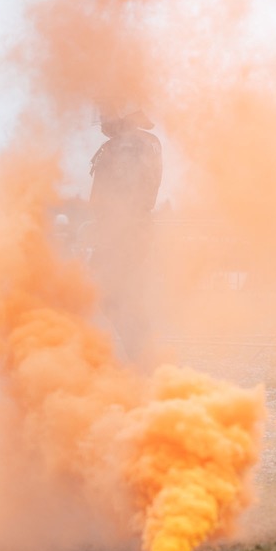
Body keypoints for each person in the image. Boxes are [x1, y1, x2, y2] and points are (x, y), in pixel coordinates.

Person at [88, 105, 162, 365]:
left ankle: (144, 362)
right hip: (126, 232)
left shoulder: (128, 146)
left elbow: (121, 198)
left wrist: (108, 237)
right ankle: (143, 360)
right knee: (119, 297)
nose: (101, 122)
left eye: (106, 114)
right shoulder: (143, 143)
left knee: (117, 297)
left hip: (122, 233)